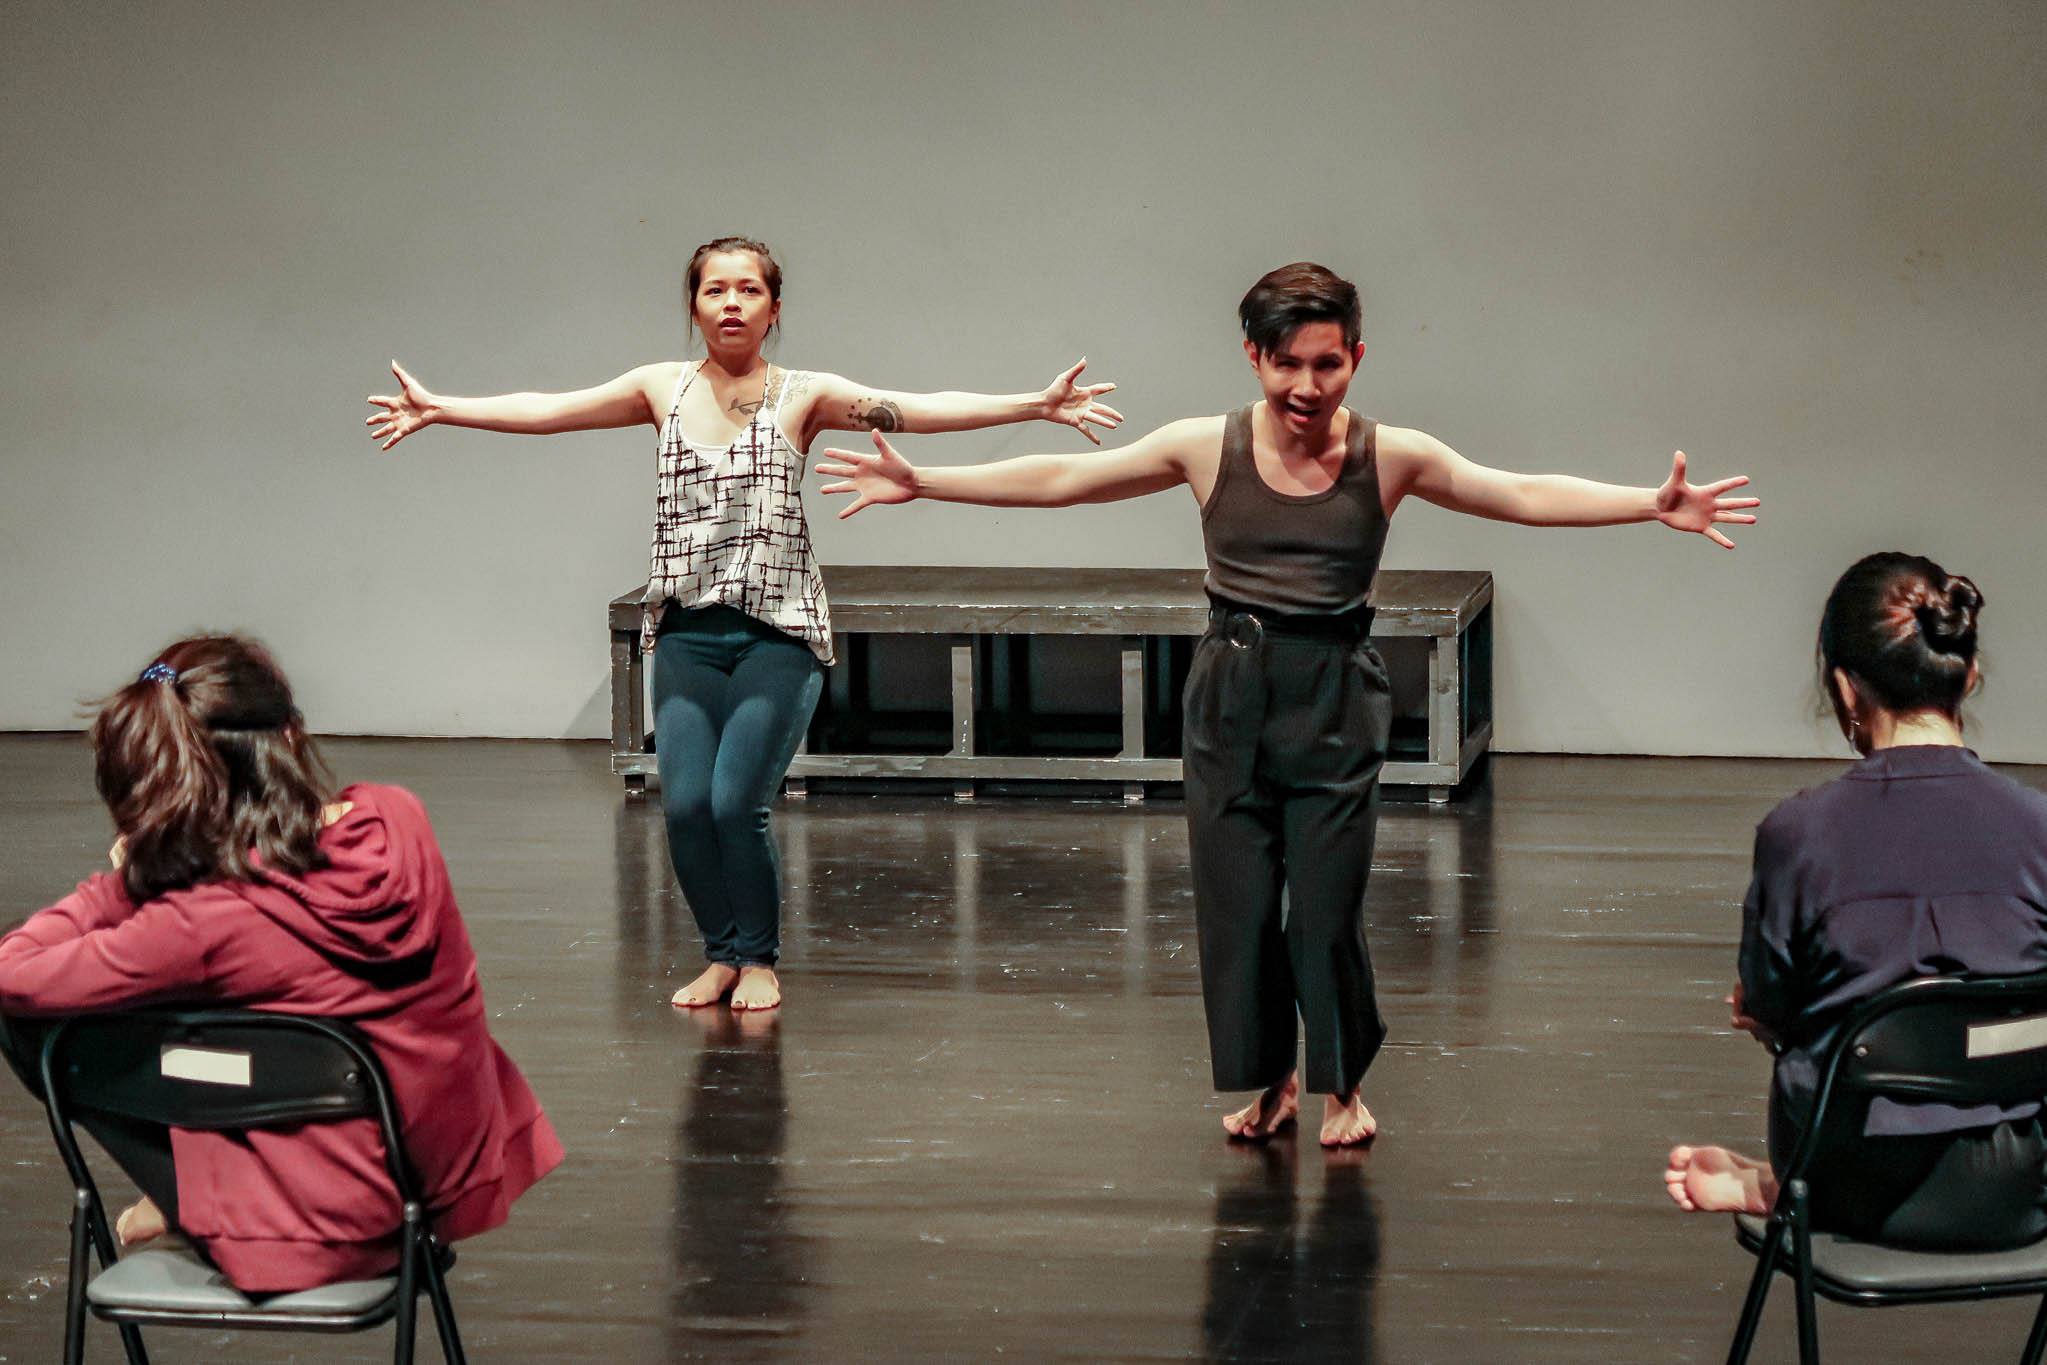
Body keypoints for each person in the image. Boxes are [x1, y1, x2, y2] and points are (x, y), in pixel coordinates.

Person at [816, 261, 1760, 1146]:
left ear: (1355, 355)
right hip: (1228, 685)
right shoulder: (1204, 445)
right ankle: (1267, 1079)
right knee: (1234, 902)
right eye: (1286, 365)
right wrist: (925, 479)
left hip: (1334, 691)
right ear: (1253, 358)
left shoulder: (1392, 455)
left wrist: (1647, 503)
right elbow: (1067, 478)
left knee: (1322, 903)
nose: (1307, 387)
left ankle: (1341, 1082)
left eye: (1326, 363)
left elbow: (1511, 491)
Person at [367, 235, 1122, 1013]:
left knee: (736, 803)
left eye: (748, 290)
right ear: (693, 306)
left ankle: (758, 957)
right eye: (714, 290)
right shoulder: (659, 388)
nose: (731, 302)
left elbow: (916, 407)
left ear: (774, 309)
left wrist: (1033, 404)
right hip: (690, 631)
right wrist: (442, 409)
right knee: (686, 804)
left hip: (777, 634)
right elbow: (549, 409)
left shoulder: (803, 394)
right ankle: (721, 954)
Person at [0, 635, 563, 1294]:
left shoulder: (198, 919)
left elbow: (14, 969)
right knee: (288, 988)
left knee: (36, 1019)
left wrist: (135, 885)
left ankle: (189, 1191)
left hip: (308, 1236)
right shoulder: (396, 820)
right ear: (291, 735)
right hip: (430, 1194)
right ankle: (207, 1181)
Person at [1666, 554, 2047, 1248]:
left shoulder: (1798, 833)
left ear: (1845, 690)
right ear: (1968, 675)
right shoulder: (2039, 826)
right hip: (2022, 1193)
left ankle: (1779, 1187)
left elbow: (1770, 1004)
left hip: (1852, 1182)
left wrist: (1763, 1018)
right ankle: (1782, 1186)